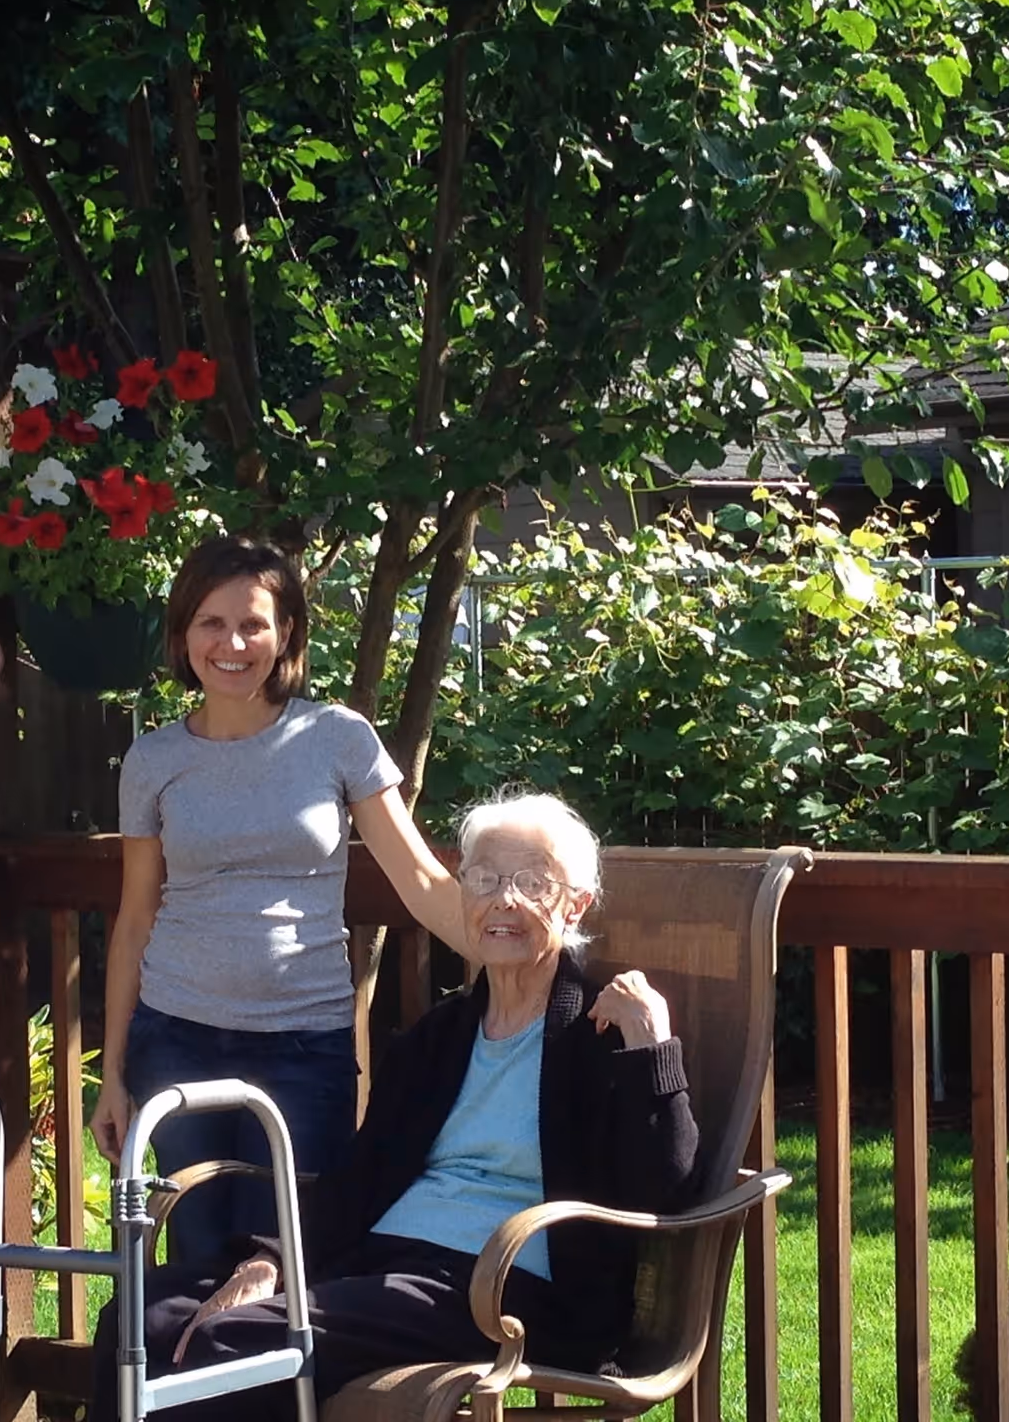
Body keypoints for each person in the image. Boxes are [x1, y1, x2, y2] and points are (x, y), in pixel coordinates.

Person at [88, 791, 703, 1422]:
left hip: (505, 1287)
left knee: (241, 1343)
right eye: (485, 879)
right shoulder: (436, 1039)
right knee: (143, 1313)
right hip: (383, 1261)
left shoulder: (600, 1035)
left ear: (575, 905)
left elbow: (668, 1187)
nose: (504, 900)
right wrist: (273, 1259)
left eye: (532, 883)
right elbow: (359, 1180)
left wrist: (653, 1047)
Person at [91, 535, 471, 1265]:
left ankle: (280, 1388)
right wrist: (113, 1075)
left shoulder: (336, 739)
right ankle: (190, 1382)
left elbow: (420, 879)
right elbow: (135, 919)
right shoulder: (153, 760)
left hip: (305, 1046)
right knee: (196, 1257)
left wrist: (513, 953)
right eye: (211, 623)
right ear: (183, 633)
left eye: (253, 623)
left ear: (287, 632)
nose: (232, 643)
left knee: (287, 1262)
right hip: (176, 1039)